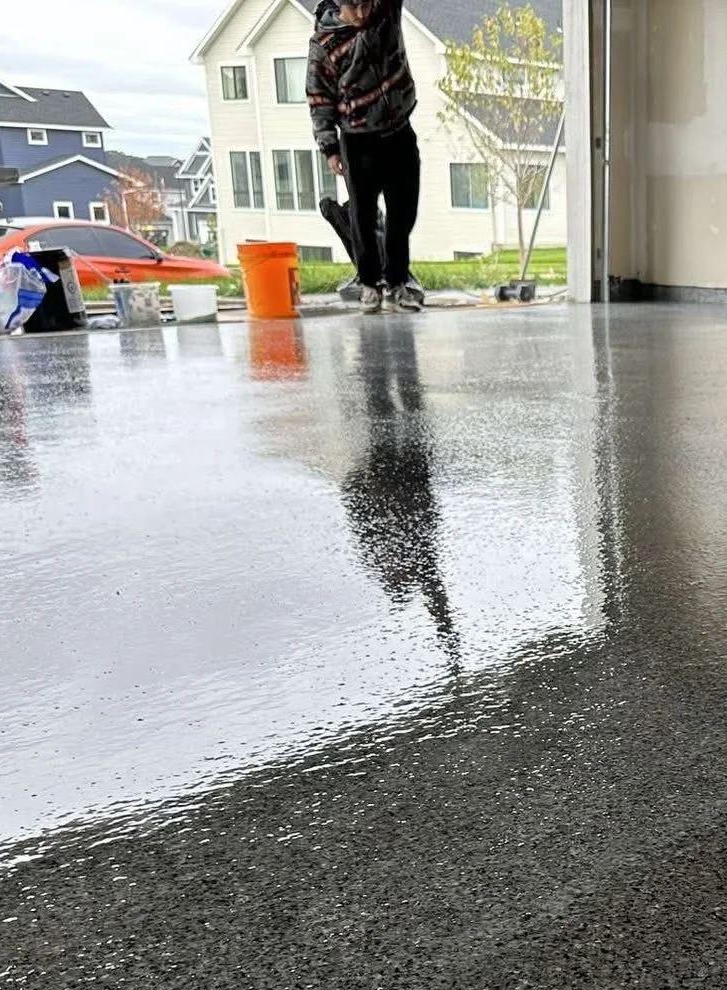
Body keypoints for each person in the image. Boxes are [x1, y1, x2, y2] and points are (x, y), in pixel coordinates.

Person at [341, 328, 459, 665]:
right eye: (400, 575)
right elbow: (436, 594)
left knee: (383, 414)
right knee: (400, 412)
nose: (397, 569)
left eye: (395, 574)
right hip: (411, 478)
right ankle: (395, 379)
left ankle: (386, 377)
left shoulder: (376, 544)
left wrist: (356, 485)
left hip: (389, 474)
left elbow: (354, 504)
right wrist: (450, 642)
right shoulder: (418, 559)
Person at [308, 0, 424, 315]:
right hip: (358, 141)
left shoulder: (385, 13)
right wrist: (329, 147)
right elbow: (319, 97)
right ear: (339, 6)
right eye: (353, 8)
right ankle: (372, 285)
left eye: (365, 5)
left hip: (399, 130)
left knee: (404, 212)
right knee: (363, 216)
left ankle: (397, 282)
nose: (361, 15)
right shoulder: (324, 43)